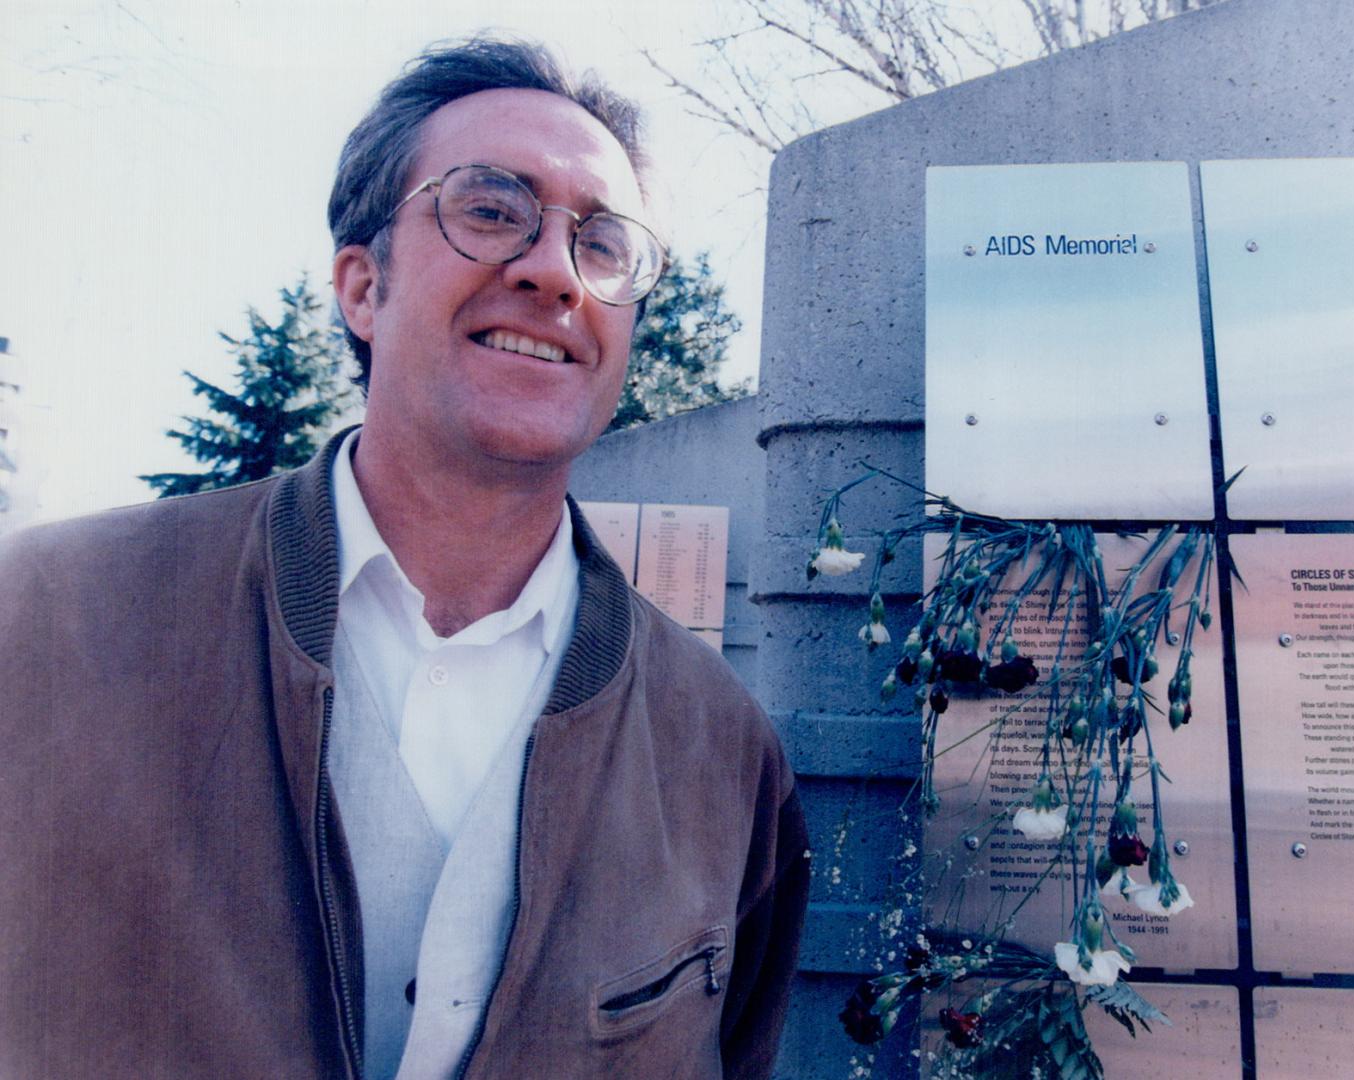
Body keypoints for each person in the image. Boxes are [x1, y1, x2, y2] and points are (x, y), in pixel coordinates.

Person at [0, 38, 808, 1080]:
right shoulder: (48, 623)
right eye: (488, 208)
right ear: (361, 287)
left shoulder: (724, 755)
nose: (553, 270)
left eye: (602, 243)